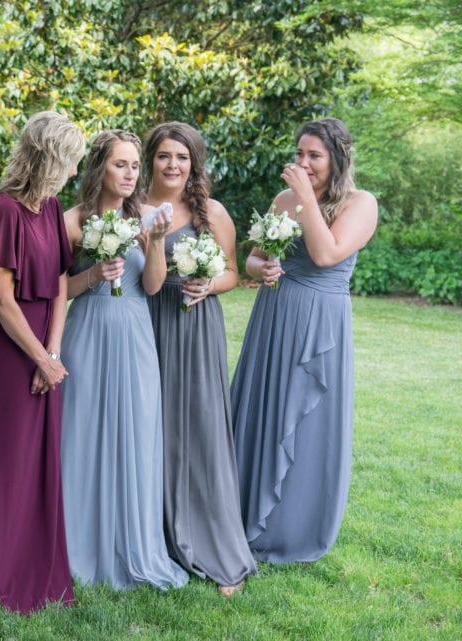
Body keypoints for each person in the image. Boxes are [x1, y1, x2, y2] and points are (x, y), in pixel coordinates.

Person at [231, 118, 378, 563]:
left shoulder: (361, 203)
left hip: (320, 325)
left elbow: (325, 253)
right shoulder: (283, 199)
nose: (304, 162)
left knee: (304, 417)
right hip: (274, 315)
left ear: (339, 158)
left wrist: (306, 198)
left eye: (315, 155)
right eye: (299, 153)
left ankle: (291, 526)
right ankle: (236, 510)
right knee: (264, 405)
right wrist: (262, 268)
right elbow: (252, 259)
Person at [59, 130, 189, 591]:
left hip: (135, 333)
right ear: (100, 167)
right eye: (121, 164)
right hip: (88, 330)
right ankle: (77, 543)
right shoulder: (72, 221)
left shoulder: (147, 217)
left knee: (135, 432)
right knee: (83, 431)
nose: (131, 174)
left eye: (135, 165)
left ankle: (131, 540)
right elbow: (56, 290)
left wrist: (156, 241)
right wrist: (93, 274)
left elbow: (152, 286)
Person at [0, 111, 84, 613]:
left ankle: (40, 570)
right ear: (51, 158)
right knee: (8, 463)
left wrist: (52, 355)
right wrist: (38, 356)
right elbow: (0, 299)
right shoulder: (4, 210)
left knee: (41, 462)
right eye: (71, 161)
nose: (75, 171)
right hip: (8, 347)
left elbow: (59, 282)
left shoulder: (52, 207)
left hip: (42, 346)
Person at [142, 121, 257, 595]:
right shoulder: (131, 205)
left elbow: (232, 271)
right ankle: (149, 533)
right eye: (164, 155)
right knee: (149, 424)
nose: (173, 165)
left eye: (182, 157)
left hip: (195, 325)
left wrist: (209, 284)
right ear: (151, 159)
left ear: (194, 163)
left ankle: (215, 542)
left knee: (200, 424)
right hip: (144, 321)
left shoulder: (211, 211)